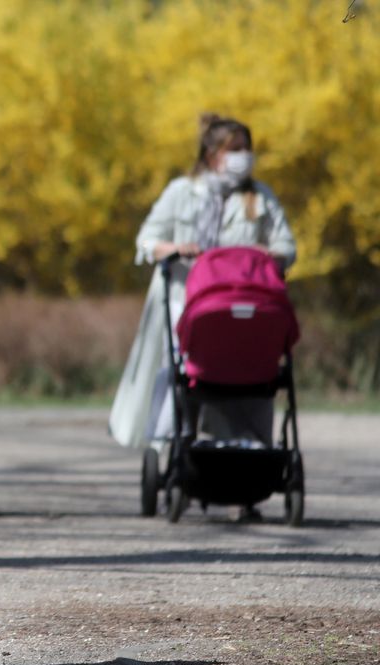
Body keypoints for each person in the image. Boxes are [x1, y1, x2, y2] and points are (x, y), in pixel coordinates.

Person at [110, 114, 296, 464]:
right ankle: (173, 452)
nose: (244, 157)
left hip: (241, 308)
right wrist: (174, 249)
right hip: (183, 302)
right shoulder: (182, 193)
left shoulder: (259, 197)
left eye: (246, 149)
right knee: (180, 376)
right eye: (234, 149)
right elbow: (147, 240)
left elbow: (287, 246)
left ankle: (246, 458)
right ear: (212, 154)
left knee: (244, 377)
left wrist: (270, 255)